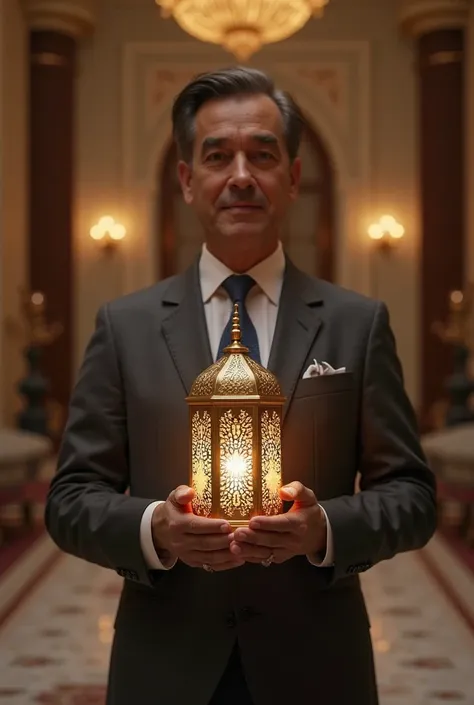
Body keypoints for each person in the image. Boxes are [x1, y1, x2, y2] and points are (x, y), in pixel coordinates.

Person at [45, 67, 437, 705]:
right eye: (217, 156)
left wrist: (323, 530)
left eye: (262, 154)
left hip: (316, 666)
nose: (241, 176)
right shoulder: (126, 326)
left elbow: (413, 496)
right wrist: (155, 528)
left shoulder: (356, 324)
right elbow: (69, 500)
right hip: (166, 663)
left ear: (294, 178)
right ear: (186, 180)